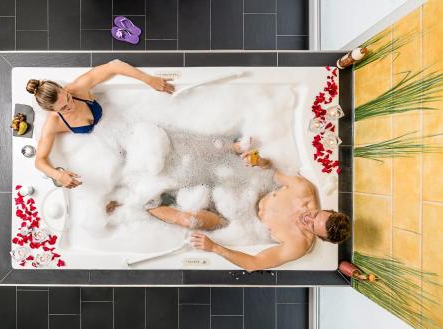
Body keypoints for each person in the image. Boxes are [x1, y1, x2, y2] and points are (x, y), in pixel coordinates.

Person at [148, 141, 351, 272]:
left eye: (312, 225)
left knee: (187, 220)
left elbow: (254, 264)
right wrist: (259, 162)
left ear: (319, 237)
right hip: (241, 188)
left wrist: (215, 247)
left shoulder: (297, 245)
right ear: (327, 210)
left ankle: (142, 205)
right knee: (202, 156)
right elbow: (272, 169)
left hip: (232, 221)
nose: (307, 217)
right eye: (315, 214)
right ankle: (233, 146)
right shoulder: (303, 190)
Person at [28, 59, 175, 189]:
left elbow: (114, 66)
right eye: (64, 108)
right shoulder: (54, 123)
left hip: (121, 123)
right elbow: (39, 161)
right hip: (105, 147)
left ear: (63, 89)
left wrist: (149, 80)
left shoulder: (77, 89)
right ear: (52, 110)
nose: (70, 105)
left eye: (67, 97)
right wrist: (58, 175)